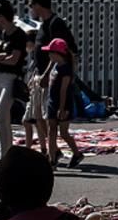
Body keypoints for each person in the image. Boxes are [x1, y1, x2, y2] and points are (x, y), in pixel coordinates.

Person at [28, 0, 76, 151]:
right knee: (38, 117)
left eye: (31, 5)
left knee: (49, 118)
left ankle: (54, 150)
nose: (31, 9)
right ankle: (52, 149)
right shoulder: (43, 24)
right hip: (40, 74)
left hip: (52, 78)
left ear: (38, 5)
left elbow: (62, 52)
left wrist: (47, 74)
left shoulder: (56, 23)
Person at [0, 0, 31, 154]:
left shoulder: (18, 35)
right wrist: (4, 55)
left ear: (2, 17)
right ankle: (5, 153)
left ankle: (8, 153)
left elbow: (14, 60)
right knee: (4, 120)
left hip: (11, 77)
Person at [36, 38, 83, 169]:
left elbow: (64, 90)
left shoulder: (66, 69)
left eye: (52, 52)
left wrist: (62, 108)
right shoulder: (55, 65)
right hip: (52, 102)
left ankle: (77, 153)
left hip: (63, 104)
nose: (49, 55)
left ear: (59, 54)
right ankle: (52, 160)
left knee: (63, 133)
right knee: (51, 131)